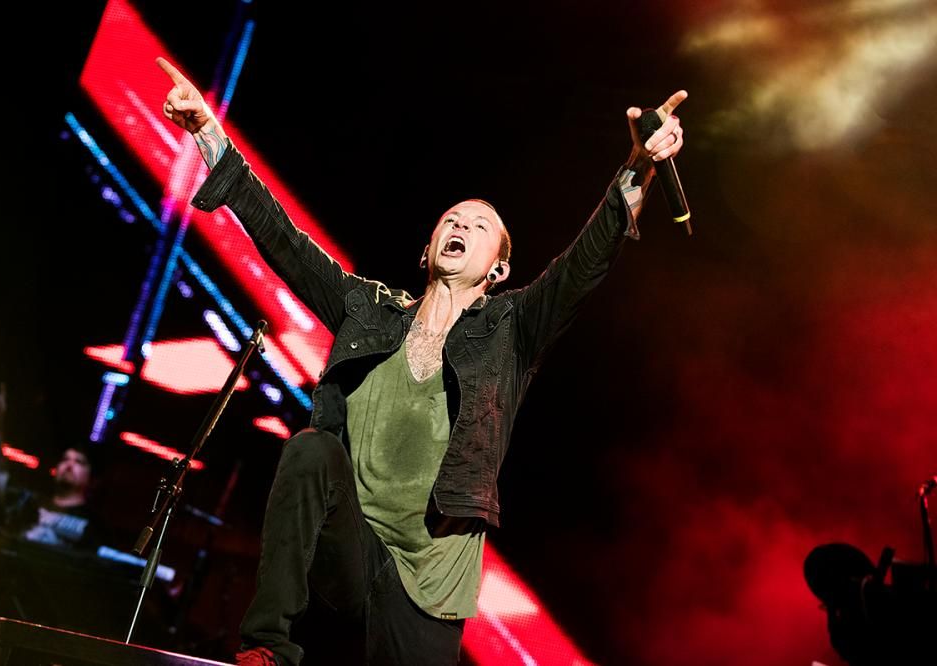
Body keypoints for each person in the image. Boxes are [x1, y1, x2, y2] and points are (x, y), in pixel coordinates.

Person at [157, 56, 686, 666]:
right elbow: (285, 241)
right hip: (351, 547)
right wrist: (209, 135)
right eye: (451, 220)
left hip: (430, 579)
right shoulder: (368, 310)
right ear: (427, 249)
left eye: (480, 225)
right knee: (311, 449)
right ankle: (266, 646)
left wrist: (639, 166)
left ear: (498, 269)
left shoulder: (511, 328)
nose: (461, 224)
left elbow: (583, 263)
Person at [0, 384, 103, 549]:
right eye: (65, 459)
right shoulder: (28, 502)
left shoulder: (92, 526)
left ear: (91, 478)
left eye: (79, 462)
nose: (69, 465)